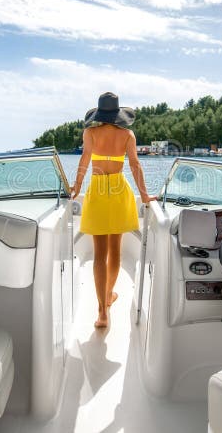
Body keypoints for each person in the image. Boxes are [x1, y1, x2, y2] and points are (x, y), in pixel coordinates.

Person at [71, 92, 155, 329]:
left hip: (97, 189)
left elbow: (84, 162)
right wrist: (145, 195)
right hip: (119, 189)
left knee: (99, 254)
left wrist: (76, 188)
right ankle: (109, 296)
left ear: (99, 113)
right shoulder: (127, 135)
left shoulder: (90, 133)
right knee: (115, 251)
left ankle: (101, 312)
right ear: (118, 114)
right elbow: (135, 165)